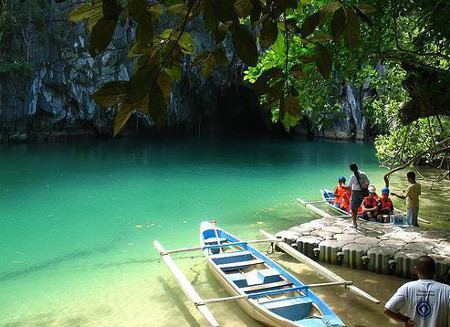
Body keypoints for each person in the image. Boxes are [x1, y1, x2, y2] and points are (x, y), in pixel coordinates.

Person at [384, 256, 450, 327]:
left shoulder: (407, 287)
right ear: (435, 271)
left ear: (415, 270)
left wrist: (405, 320)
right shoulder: (446, 289)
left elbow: (388, 309)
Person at [346, 162, 370, 228]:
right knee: (356, 207)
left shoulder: (352, 176)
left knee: (353, 208)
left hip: (355, 192)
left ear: (351, 169)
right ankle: (355, 222)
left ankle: (354, 223)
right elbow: (368, 182)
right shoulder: (363, 174)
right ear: (357, 167)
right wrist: (365, 188)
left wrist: (342, 186)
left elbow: (349, 187)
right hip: (362, 192)